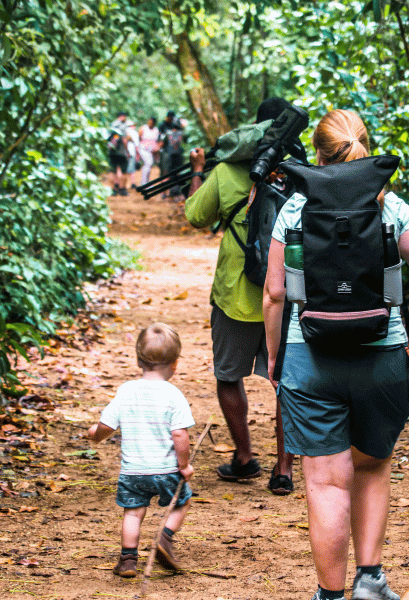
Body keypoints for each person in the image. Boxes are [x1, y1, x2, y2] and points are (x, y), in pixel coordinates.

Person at [262, 109, 409, 600]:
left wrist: (276, 357)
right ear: (366, 145)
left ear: (318, 154)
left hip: (310, 356)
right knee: (370, 467)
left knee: (326, 484)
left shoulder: (295, 207)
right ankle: (370, 580)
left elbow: (275, 294)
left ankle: (329, 596)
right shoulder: (390, 205)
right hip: (383, 357)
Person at [184, 97, 296, 496]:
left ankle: (245, 457)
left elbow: (196, 215)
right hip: (287, 293)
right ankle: (284, 469)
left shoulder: (228, 169)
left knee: (228, 375)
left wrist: (199, 171)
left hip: (235, 291)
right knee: (287, 382)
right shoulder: (300, 172)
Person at [86, 322, 195, 578]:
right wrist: (184, 465)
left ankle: (127, 560)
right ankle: (164, 538)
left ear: (138, 360)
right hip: (166, 471)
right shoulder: (173, 395)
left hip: (132, 471)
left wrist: (95, 435)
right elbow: (180, 434)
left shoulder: (126, 391)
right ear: (175, 364)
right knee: (182, 502)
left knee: (133, 513)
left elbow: (106, 425)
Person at [158, 110, 185, 199]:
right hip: (176, 155)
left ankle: (164, 193)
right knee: (175, 173)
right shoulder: (181, 133)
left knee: (165, 173)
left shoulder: (167, 133)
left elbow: (161, 144)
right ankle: (173, 192)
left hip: (168, 155)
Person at [138, 117, 160, 187]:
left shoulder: (156, 130)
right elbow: (138, 137)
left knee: (149, 165)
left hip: (151, 151)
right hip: (143, 149)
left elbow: (157, 140)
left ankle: (147, 182)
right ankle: (143, 183)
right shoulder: (143, 128)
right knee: (148, 163)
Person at [107, 129, 129, 196]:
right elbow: (124, 141)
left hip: (112, 154)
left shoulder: (110, 130)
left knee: (113, 172)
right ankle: (122, 189)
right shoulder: (123, 129)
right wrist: (127, 151)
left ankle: (114, 189)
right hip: (122, 154)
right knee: (123, 172)